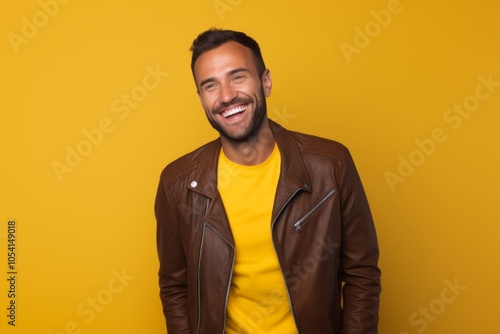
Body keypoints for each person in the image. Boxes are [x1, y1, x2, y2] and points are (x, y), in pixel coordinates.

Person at [155, 28, 381, 334]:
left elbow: (361, 274)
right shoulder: (177, 184)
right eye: (210, 85)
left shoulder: (331, 165)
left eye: (237, 77)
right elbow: (174, 287)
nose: (226, 96)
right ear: (200, 98)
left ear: (266, 82)